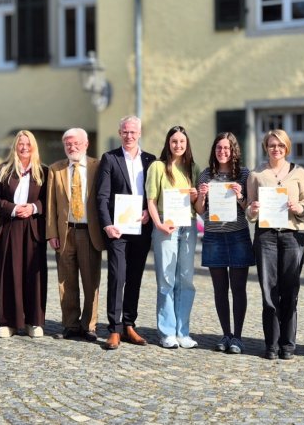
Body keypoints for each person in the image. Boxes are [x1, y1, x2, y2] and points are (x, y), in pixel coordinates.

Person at [246, 129, 304, 360]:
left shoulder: (300, 173)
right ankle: (271, 345)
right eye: (272, 145)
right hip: (266, 237)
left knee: (290, 291)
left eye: (280, 145)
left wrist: (298, 208)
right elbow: (250, 210)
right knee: (268, 290)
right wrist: (252, 210)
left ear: (287, 147)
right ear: (266, 147)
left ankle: (288, 345)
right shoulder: (256, 174)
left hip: (292, 236)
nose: (276, 149)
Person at [95, 115, 155, 350]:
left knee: (134, 278)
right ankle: (114, 329)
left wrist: (150, 212)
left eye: (133, 132)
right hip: (117, 230)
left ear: (140, 133)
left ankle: (130, 324)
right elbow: (102, 196)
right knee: (117, 276)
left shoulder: (151, 160)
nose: (129, 136)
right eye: (125, 132)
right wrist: (107, 224)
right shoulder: (110, 158)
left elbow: (155, 194)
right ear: (120, 133)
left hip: (141, 227)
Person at [194, 132, 252, 354]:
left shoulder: (244, 174)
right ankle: (225, 334)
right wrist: (201, 195)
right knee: (220, 289)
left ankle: (238, 336)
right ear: (214, 150)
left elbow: (248, 210)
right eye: (219, 148)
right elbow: (200, 211)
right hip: (213, 236)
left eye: (226, 148)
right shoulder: (206, 175)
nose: (222, 152)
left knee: (238, 288)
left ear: (233, 150)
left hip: (237, 235)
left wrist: (240, 196)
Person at [45, 128, 105, 342]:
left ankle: (89, 325)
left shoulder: (98, 167)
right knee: (66, 281)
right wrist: (51, 232)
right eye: (68, 144)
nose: (72, 147)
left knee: (91, 281)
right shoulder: (56, 169)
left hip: (89, 232)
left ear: (86, 144)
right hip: (65, 232)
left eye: (76, 143)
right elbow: (51, 203)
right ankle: (70, 324)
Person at [146, 126, 200, 349]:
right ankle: (167, 331)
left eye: (182, 141)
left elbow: (198, 207)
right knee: (166, 279)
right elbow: (151, 200)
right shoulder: (158, 167)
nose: (178, 145)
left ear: (187, 144)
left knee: (186, 280)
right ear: (168, 143)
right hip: (165, 226)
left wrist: (197, 196)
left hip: (188, 226)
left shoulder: (192, 168)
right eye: (174, 141)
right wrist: (159, 224)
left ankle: (182, 331)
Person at [0, 130, 48, 338]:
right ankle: (8, 322)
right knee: (9, 274)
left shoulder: (43, 172)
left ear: (34, 147)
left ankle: (33, 321)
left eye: (28, 144)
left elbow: (48, 200)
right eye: (20, 143)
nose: (24, 147)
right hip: (10, 226)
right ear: (15, 146)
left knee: (34, 275)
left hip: (34, 228)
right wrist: (14, 208)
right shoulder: (3, 170)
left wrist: (33, 208)